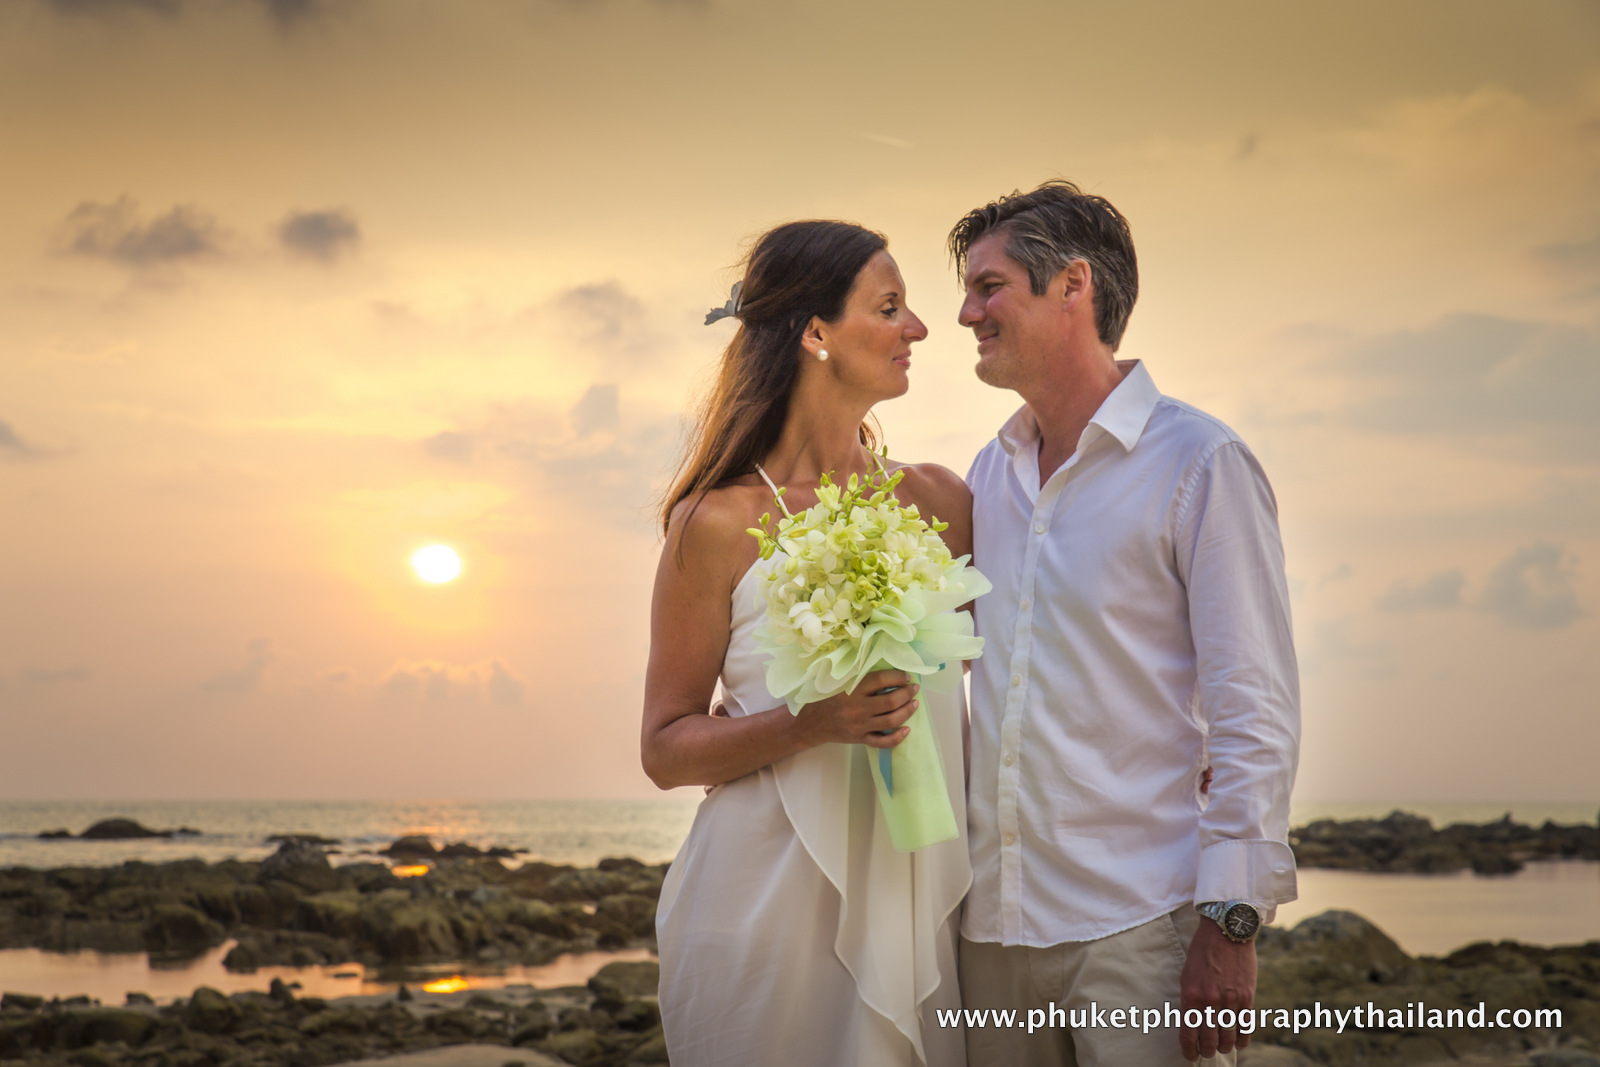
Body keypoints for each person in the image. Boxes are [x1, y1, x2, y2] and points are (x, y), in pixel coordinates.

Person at [950, 181, 1301, 1066]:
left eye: (989, 286)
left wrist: (1231, 923)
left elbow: (1252, 706)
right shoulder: (985, 478)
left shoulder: (1200, 462)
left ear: (1072, 286)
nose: (964, 312)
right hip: (988, 933)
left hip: (1139, 930)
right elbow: (932, 660)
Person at [642, 220, 974, 1066]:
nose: (920, 328)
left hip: (924, 894)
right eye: (891, 306)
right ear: (816, 332)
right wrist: (809, 723)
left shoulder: (943, 502)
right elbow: (667, 746)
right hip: (763, 905)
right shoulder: (716, 523)